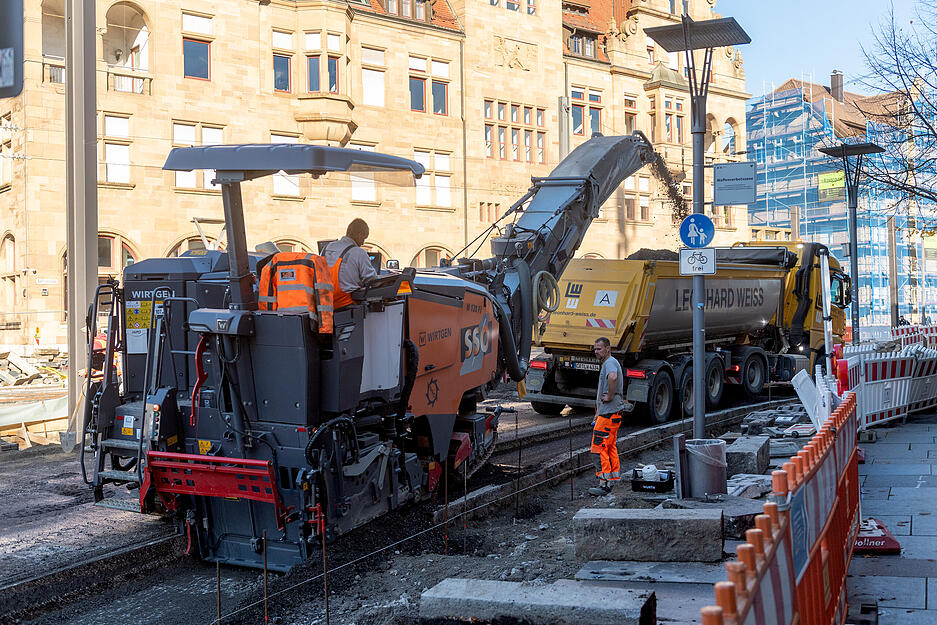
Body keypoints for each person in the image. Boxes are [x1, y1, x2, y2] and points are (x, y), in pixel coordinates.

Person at [589, 337, 625, 496]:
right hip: (611, 412)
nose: (596, 352)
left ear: (608, 349)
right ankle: (614, 479)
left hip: (609, 412)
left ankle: (604, 483)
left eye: (599, 349)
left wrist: (610, 396)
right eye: (595, 349)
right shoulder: (610, 362)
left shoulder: (609, 363)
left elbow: (612, 377)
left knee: (599, 447)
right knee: (610, 446)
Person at [323, 218, 378, 308]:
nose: (363, 243)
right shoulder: (358, 252)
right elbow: (372, 280)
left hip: (325, 304)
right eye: (363, 238)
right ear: (360, 234)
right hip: (345, 305)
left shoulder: (327, 247)